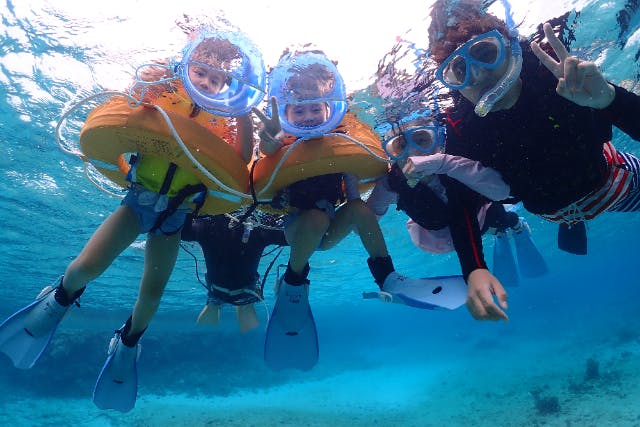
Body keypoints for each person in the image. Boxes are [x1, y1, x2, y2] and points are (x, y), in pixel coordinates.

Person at [0, 26, 263, 412]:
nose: (207, 82)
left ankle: (128, 341)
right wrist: (146, 82)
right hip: (138, 200)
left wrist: (241, 114)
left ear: (228, 86)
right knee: (88, 264)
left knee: (152, 292)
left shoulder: (223, 121)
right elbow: (126, 111)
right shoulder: (163, 96)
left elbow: (239, 162)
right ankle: (59, 298)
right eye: (201, 72)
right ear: (185, 69)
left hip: (176, 216)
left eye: (218, 79)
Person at [427, 0, 640, 321]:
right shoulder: (461, 128)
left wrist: (610, 99)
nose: (479, 74)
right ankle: (570, 221)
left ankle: (573, 220)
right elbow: (462, 203)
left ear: (510, 50)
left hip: (614, 184)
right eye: (459, 70)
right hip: (552, 211)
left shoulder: (555, 77)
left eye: (485, 54)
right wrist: (473, 270)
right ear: (454, 84)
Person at [252, 49, 449, 371]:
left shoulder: (341, 142)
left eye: (315, 108)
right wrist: (270, 139)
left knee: (358, 209)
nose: (308, 117)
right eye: (298, 111)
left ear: (329, 108)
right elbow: (266, 153)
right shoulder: (284, 140)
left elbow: (352, 188)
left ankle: (387, 276)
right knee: (314, 217)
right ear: (286, 112)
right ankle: (293, 279)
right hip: (295, 228)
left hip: (328, 227)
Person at [367, 112, 548, 287]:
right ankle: (500, 231)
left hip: (481, 217)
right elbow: (365, 225)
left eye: (422, 140)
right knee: (493, 225)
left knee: (500, 218)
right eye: (400, 146)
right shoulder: (391, 184)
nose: (412, 153)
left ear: (439, 140)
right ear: (390, 154)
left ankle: (516, 225)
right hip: (434, 235)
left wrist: (443, 163)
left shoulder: (455, 162)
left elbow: (501, 192)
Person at [181, 213, 287, 333]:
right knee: (245, 307)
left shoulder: (207, 226)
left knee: (215, 305)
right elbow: (289, 237)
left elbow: (183, 232)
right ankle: (246, 335)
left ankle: (212, 314)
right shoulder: (258, 228)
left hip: (217, 291)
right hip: (244, 291)